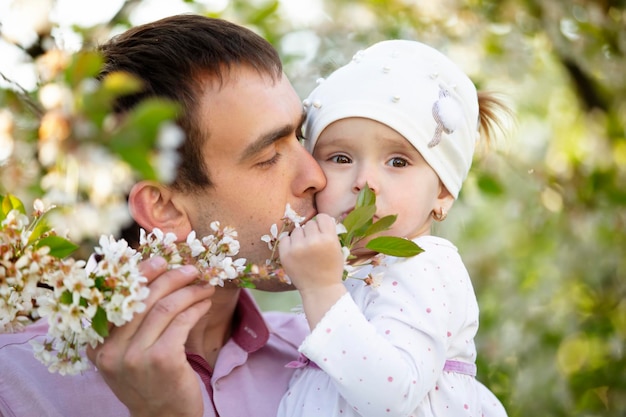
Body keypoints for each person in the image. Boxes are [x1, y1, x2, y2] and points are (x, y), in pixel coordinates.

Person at [0, 14, 326, 417]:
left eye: (300, 136)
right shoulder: (16, 389)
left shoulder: (331, 356)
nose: (316, 175)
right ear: (164, 208)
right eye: (269, 156)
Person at [276, 40, 509, 416]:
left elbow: (391, 395)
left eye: (398, 162)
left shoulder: (422, 265)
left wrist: (321, 288)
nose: (365, 181)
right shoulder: (358, 272)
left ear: (444, 194)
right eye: (340, 158)